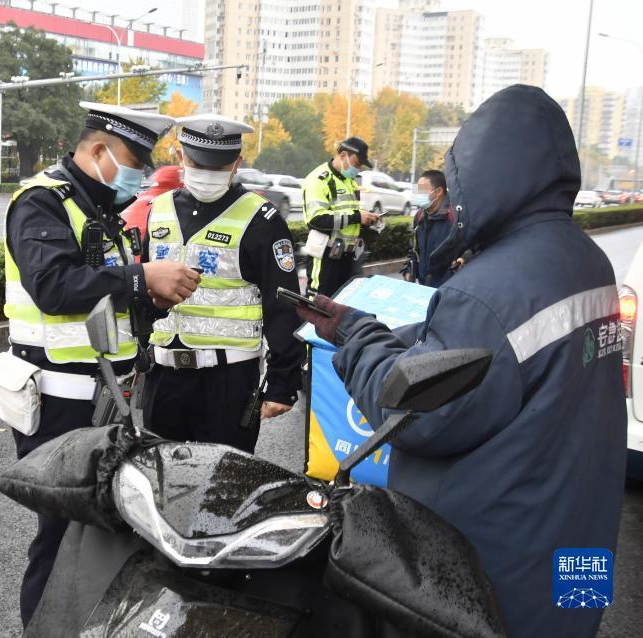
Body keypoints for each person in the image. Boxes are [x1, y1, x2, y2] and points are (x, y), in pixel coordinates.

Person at [295, 85, 625, 638]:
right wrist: (414, 334)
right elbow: (504, 359)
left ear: (492, 177)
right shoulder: (586, 261)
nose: (451, 202)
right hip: (575, 545)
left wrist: (353, 333)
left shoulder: (492, 291)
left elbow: (412, 411)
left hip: (492, 573)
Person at [2, 102, 199, 626]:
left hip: (107, 397)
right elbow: (53, 287)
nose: (140, 177)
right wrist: (141, 278)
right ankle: (41, 628)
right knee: (61, 536)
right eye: (134, 163)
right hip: (58, 402)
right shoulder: (41, 203)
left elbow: (101, 298)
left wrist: (147, 301)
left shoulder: (99, 212)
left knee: (100, 534)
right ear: (97, 150)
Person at [139, 114, 304, 453]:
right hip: (164, 377)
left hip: (229, 382)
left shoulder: (261, 219)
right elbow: (142, 288)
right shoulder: (159, 209)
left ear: (236, 164)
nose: (206, 173)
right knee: (158, 485)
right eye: (199, 163)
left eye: (217, 166)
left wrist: (282, 383)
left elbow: (283, 304)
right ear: (182, 157)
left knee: (224, 489)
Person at [300, 137, 380, 296]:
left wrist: (366, 220)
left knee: (342, 307)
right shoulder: (319, 180)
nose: (357, 169)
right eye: (356, 164)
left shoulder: (349, 182)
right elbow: (316, 220)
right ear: (343, 155)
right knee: (320, 307)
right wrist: (356, 217)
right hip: (325, 257)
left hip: (347, 257)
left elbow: (349, 214)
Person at [402, 169, 458, 287]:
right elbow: (413, 249)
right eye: (417, 189)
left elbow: (469, 250)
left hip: (448, 288)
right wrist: (409, 270)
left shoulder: (455, 217)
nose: (417, 194)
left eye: (422, 190)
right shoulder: (419, 216)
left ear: (438, 192)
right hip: (423, 286)